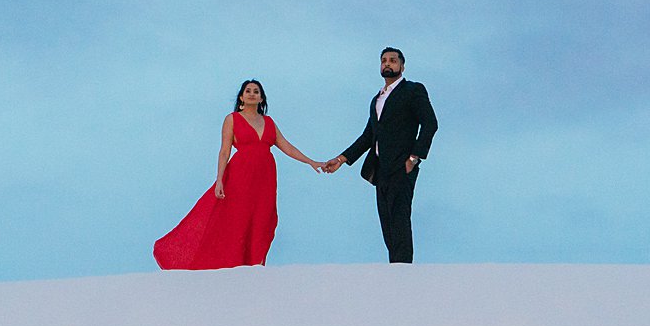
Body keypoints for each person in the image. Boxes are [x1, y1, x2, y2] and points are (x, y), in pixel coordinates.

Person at [153, 79, 327, 270]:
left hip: (265, 179)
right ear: (242, 97)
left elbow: (287, 146)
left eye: (256, 91)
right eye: (248, 91)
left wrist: (310, 161)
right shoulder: (232, 119)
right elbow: (224, 151)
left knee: (263, 218)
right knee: (237, 218)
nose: (252, 93)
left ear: (261, 98)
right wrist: (219, 180)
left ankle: (256, 264)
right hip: (239, 177)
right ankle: (233, 264)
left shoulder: (269, 122)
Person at [322, 47, 437, 263]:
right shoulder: (377, 99)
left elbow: (430, 123)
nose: (388, 64)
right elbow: (368, 136)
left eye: (393, 60)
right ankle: (394, 270)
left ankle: (403, 273)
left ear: (402, 66)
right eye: (384, 60)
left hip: (402, 166)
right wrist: (341, 159)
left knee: (399, 220)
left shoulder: (413, 90)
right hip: (380, 168)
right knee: (387, 223)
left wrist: (414, 158)